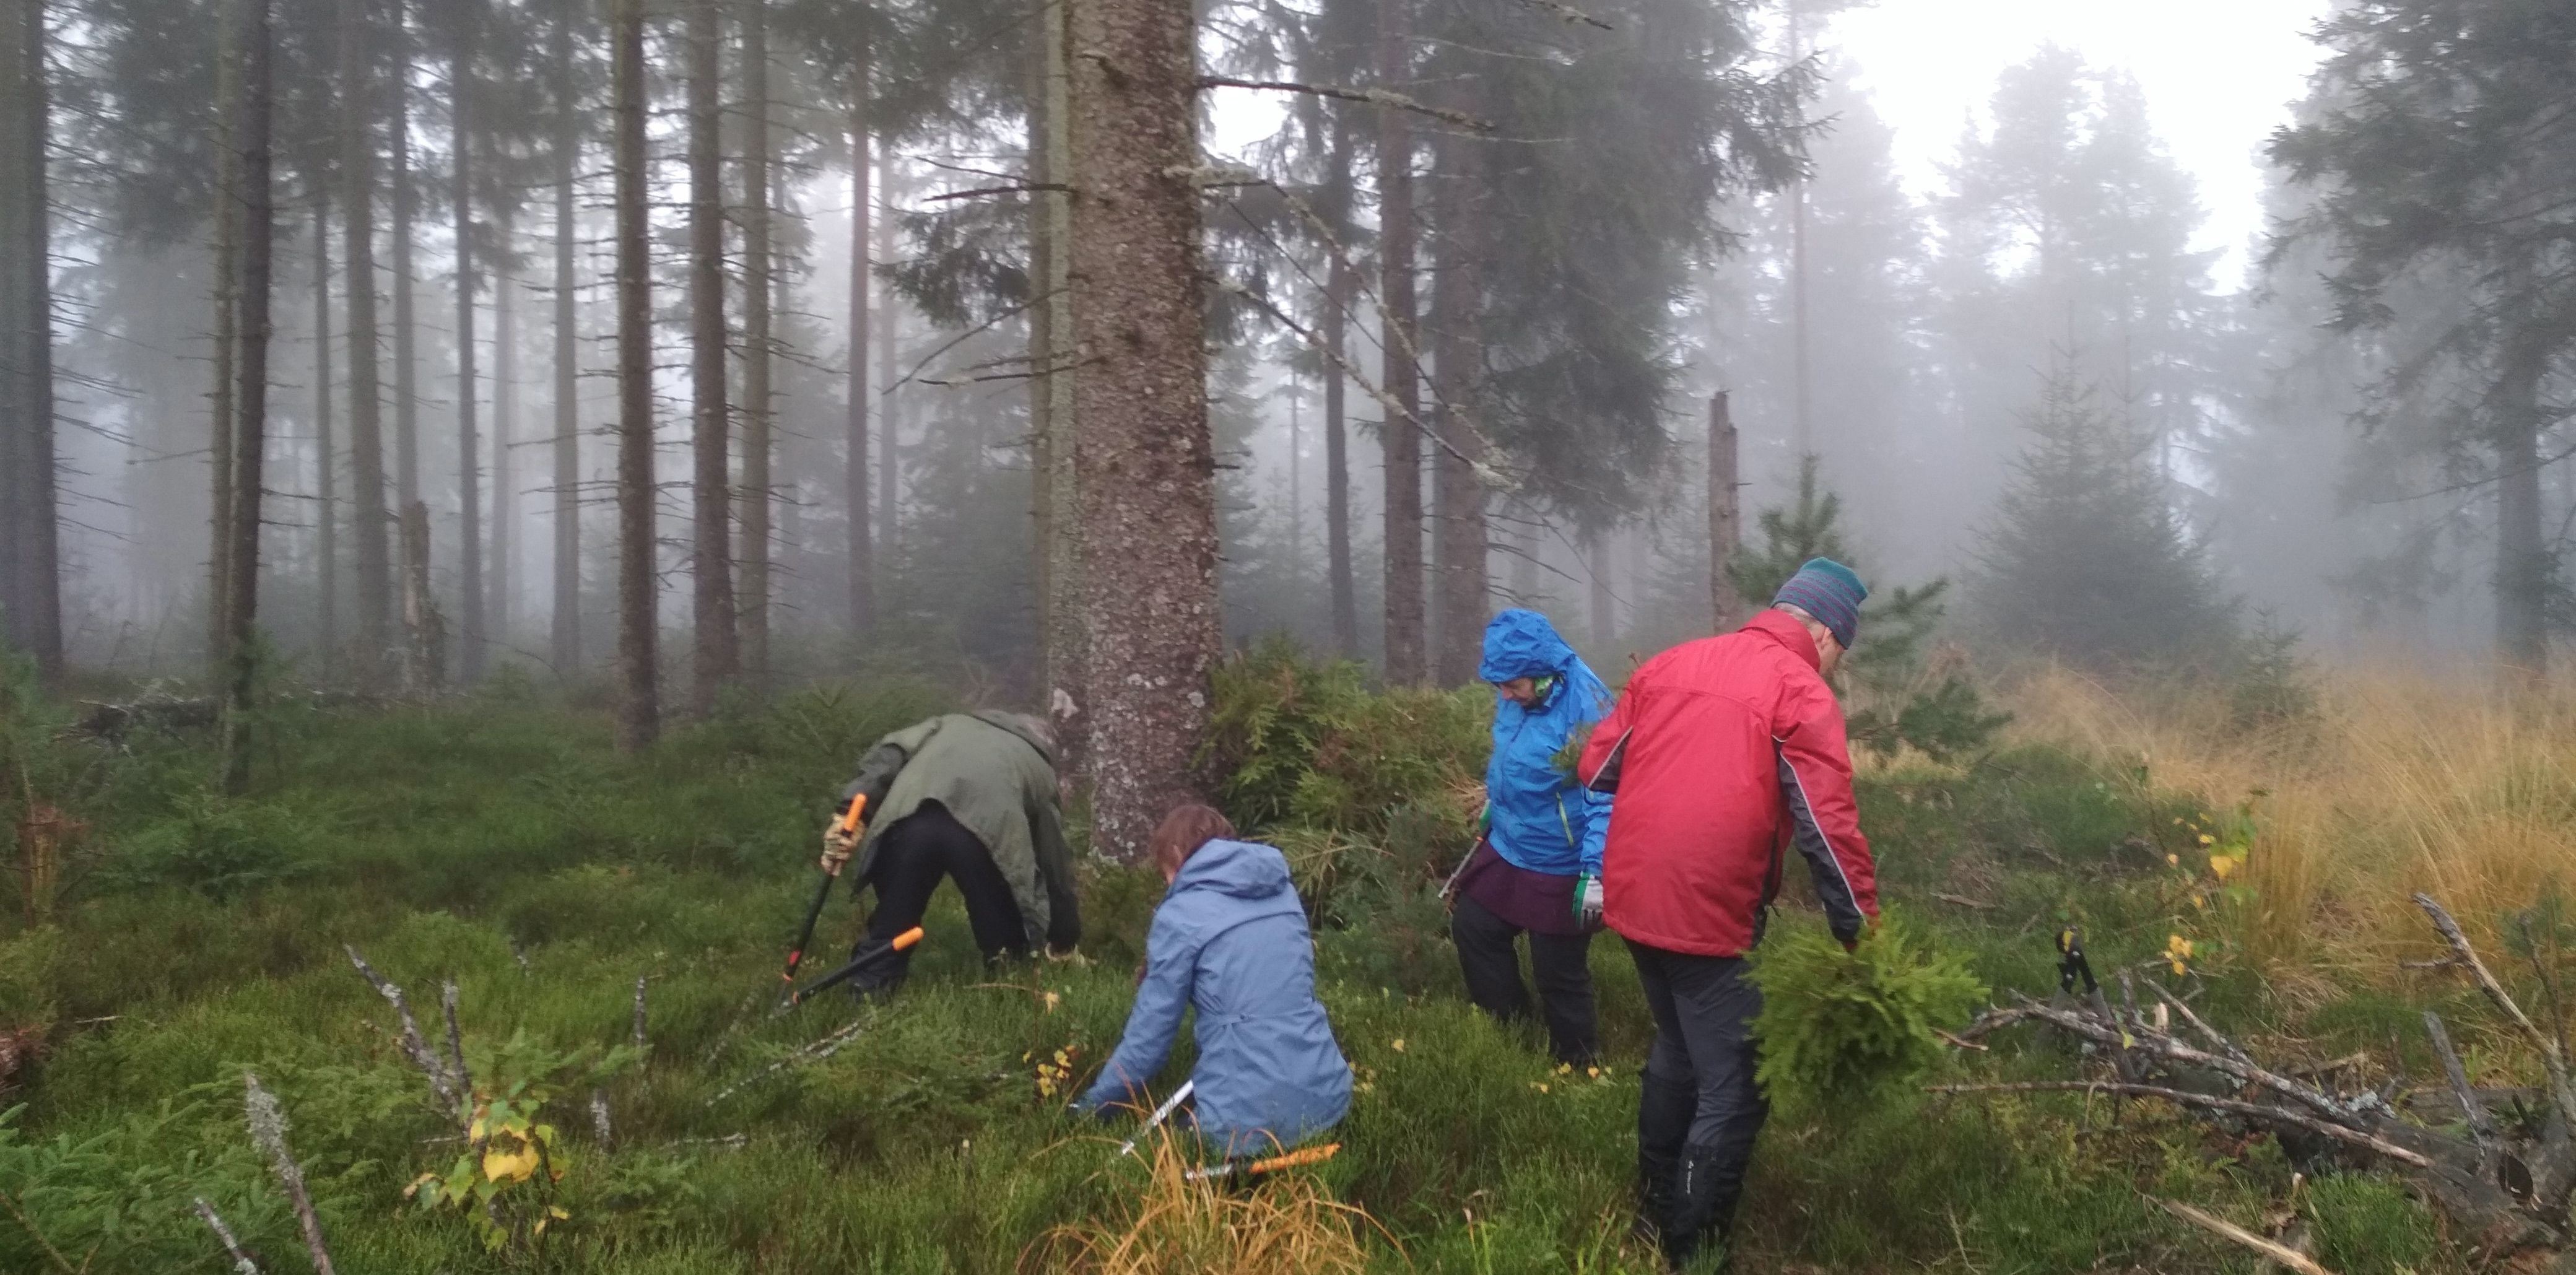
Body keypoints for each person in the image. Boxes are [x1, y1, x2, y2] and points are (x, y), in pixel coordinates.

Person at [1577, 559, 1882, 1268]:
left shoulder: (1670, 663)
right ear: (1829, 635)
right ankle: (1694, 1246)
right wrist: (1861, 934)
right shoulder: (1798, 690)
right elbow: (1827, 828)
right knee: (1737, 1085)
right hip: (1706, 909)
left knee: (1678, 1050)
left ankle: (1652, 1215)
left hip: (1632, 895)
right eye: (1842, 652)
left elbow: (1596, 768)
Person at [1073, 804, 1352, 1155]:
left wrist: (1093, 1108)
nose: (1167, 883)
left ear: (1175, 854)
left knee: (1173, 1150)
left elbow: (1150, 1037)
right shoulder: (1281, 892)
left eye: (1165, 872)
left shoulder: (1182, 913)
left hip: (1244, 1125)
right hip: (1329, 1098)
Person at [1444, 607, 1614, 1066]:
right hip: (1511, 840)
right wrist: (1493, 807)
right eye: (1498, 684)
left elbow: (1608, 797)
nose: (1504, 694)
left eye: (1512, 685)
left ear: (1543, 675)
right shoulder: (1516, 689)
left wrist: (1595, 873)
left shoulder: (1588, 708)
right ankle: (1509, 1033)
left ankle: (1577, 1065)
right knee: (1474, 926)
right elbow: (1511, 755)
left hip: (1563, 857)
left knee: (1557, 969)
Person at [820, 711, 1081, 996]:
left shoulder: (946, 723)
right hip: (984, 835)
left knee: (893, 918)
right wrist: (1064, 936)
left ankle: (867, 994)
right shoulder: (1039, 767)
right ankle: (1009, 995)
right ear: (1042, 742)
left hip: (912, 818)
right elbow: (1054, 863)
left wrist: (850, 813)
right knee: (1002, 933)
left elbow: (889, 755)